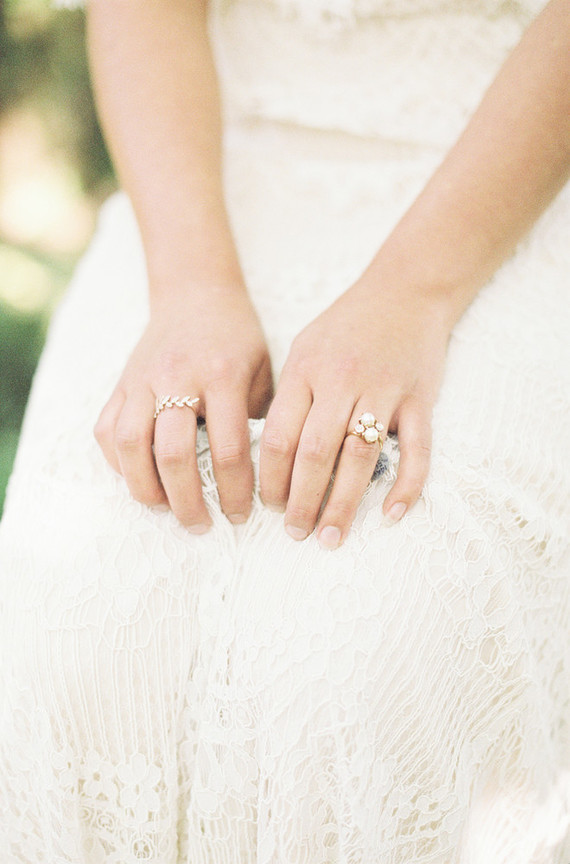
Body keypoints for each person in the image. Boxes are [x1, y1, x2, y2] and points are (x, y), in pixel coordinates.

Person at [1, 0, 569, 859]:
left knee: (385, 630)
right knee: (72, 622)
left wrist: (412, 294)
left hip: (522, 170)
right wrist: (191, 284)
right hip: (204, 160)